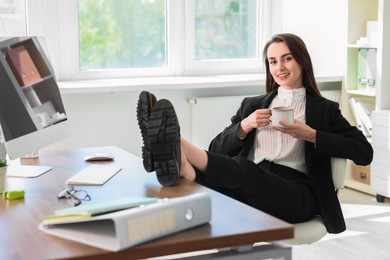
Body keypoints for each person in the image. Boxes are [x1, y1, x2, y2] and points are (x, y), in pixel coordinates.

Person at [136, 33, 373, 234]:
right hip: (252, 186)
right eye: (272, 61)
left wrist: (311, 134)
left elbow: (364, 152)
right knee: (223, 183)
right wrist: (245, 126)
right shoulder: (253, 105)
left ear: (302, 62)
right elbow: (217, 149)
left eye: (287, 59)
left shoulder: (324, 110)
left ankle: (174, 144)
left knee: (243, 170)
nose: (279, 68)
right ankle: (182, 166)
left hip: (297, 194)